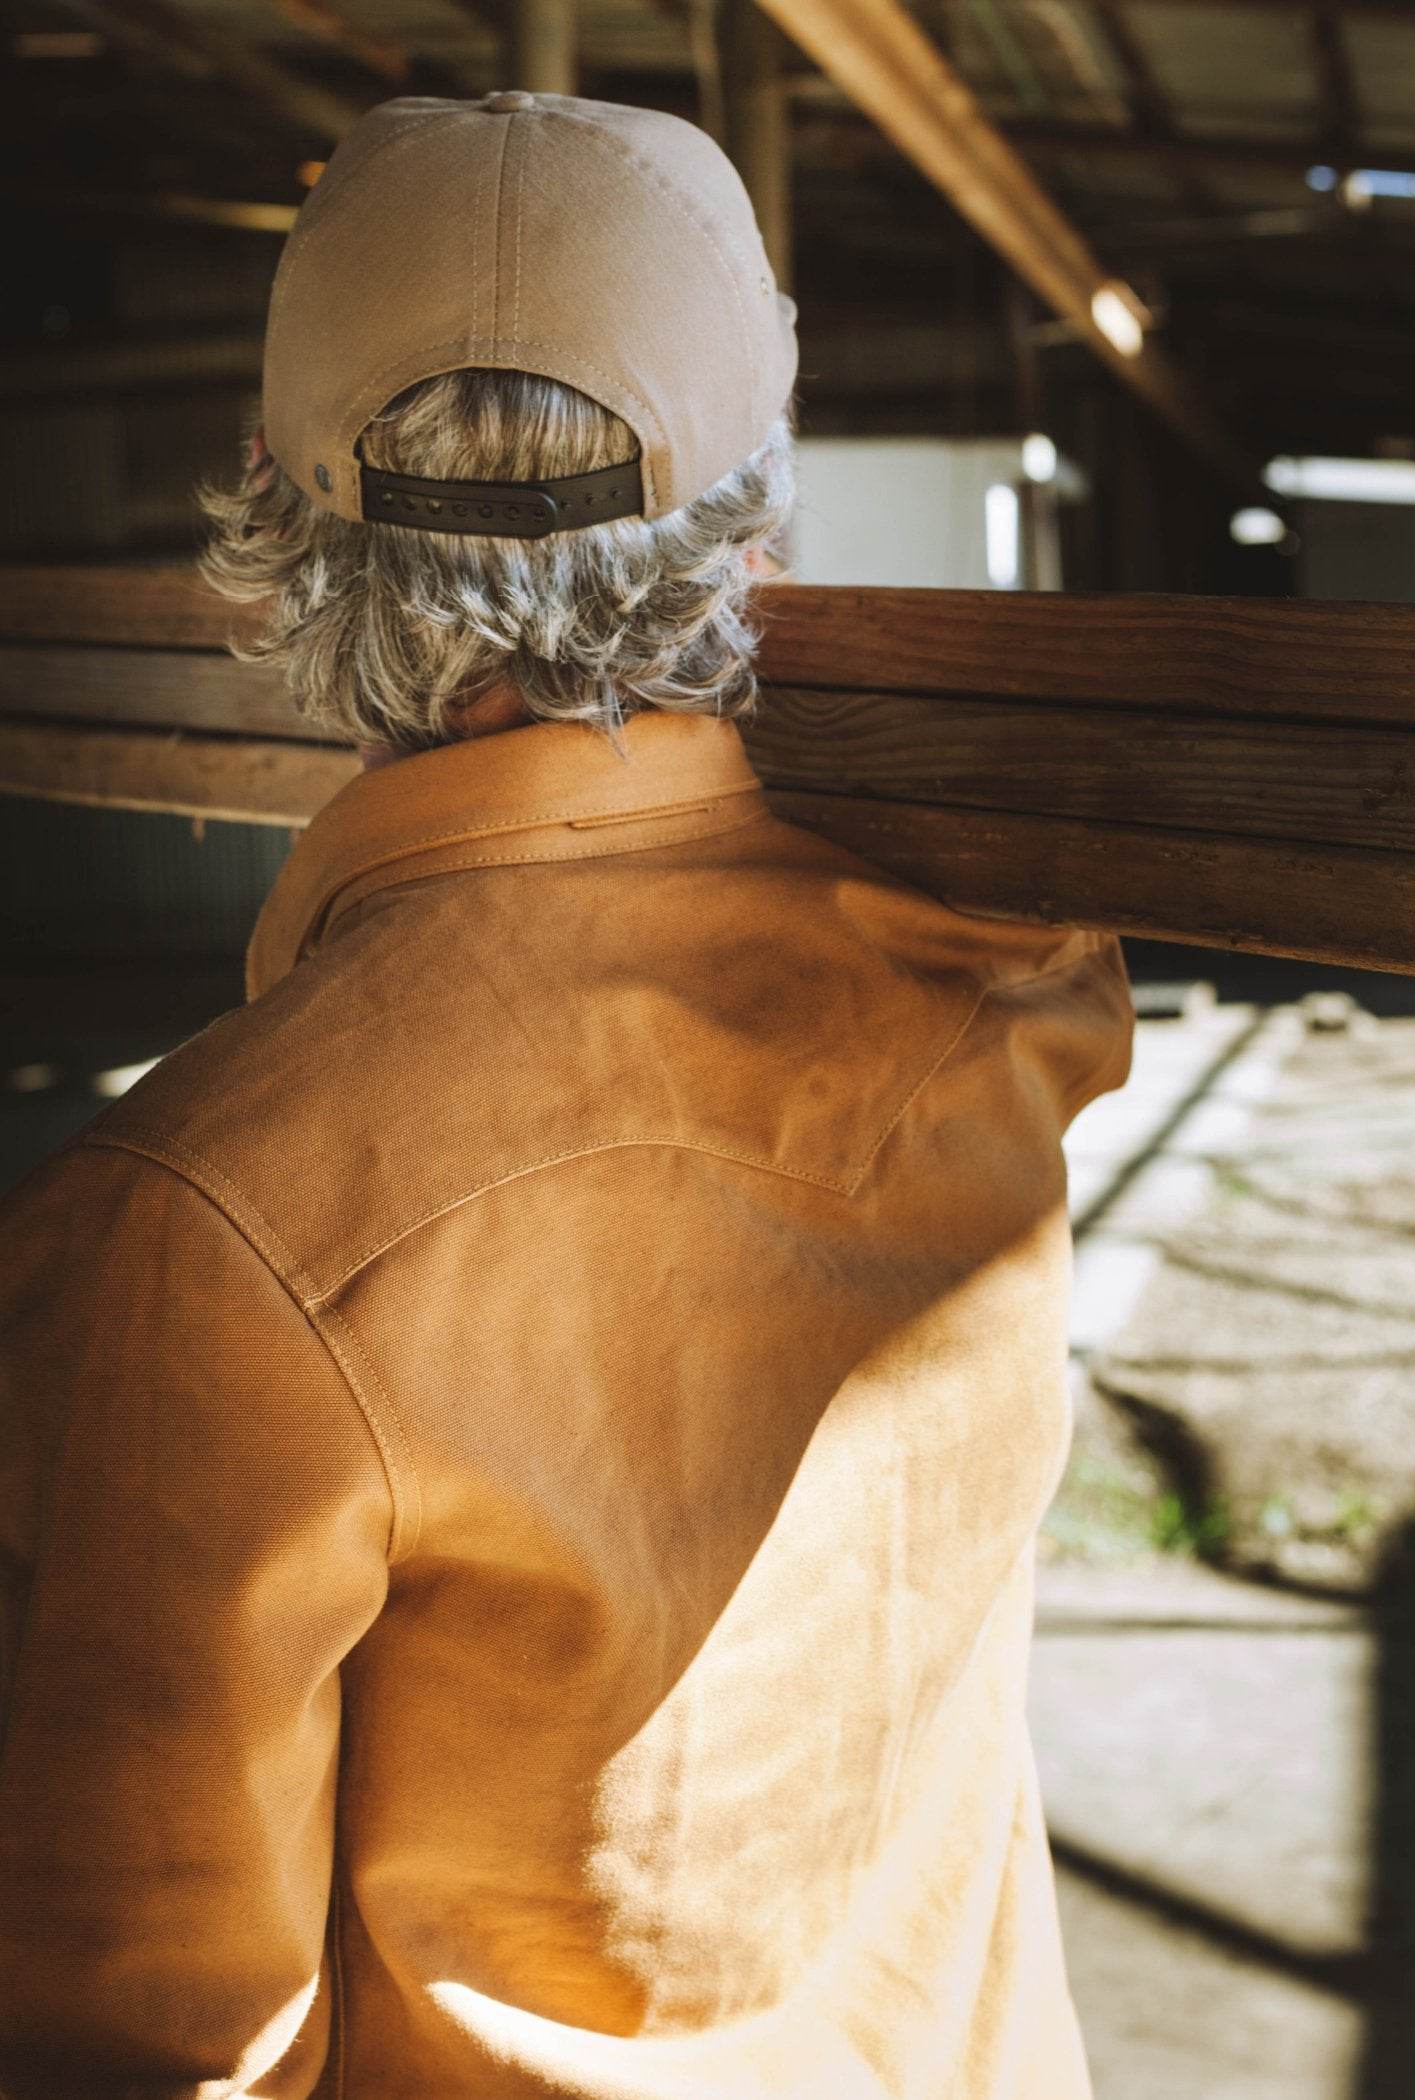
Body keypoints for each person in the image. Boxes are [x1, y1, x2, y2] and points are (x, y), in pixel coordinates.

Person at [0, 88, 1134, 2100]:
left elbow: (149, 2042)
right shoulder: (1023, 1013)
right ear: (756, 524)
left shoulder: (201, 1227)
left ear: (269, 496)